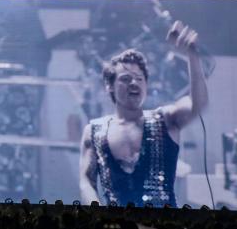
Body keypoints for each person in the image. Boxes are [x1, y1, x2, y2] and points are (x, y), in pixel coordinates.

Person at [78, 20, 208, 206]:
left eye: (139, 79)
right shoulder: (94, 130)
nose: (134, 83)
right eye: (125, 78)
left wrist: (192, 55)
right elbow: (86, 182)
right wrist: (99, 215)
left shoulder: (166, 119)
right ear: (110, 87)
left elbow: (199, 103)